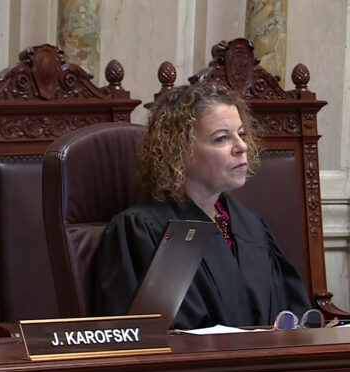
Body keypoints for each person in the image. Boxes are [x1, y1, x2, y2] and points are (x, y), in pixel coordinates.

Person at [92, 82, 310, 329]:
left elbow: (295, 317)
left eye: (241, 133)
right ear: (178, 151)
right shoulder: (144, 230)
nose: (242, 146)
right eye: (221, 138)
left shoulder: (251, 226)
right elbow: (147, 340)